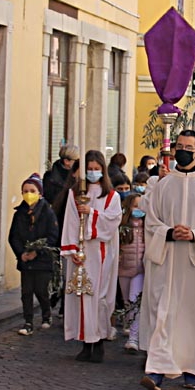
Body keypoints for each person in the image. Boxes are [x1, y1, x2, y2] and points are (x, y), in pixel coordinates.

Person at [139, 130, 195, 390]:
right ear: (174, 149)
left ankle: (192, 370)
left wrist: (194, 235)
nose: (184, 151)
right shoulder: (163, 185)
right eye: (180, 146)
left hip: (193, 264)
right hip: (166, 262)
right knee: (163, 315)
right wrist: (168, 232)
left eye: (189, 147)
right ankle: (156, 372)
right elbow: (150, 221)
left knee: (193, 316)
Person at [60, 151, 122, 362]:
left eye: (97, 169)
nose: (93, 173)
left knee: (98, 296)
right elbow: (70, 220)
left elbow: (112, 221)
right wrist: (72, 249)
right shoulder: (75, 193)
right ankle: (85, 343)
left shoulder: (112, 196)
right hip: (81, 252)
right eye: (89, 169)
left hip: (100, 251)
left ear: (103, 170)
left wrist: (92, 213)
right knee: (81, 295)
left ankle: (99, 341)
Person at [8, 174, 60, 336]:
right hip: (25, 260)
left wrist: (37, 251)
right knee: (26, 292)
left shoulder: (48, 212)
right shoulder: (19, 214)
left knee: (41, 290)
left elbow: (53, 236)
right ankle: (28, 321)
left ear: (40, 193)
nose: (28, 194)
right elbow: (13, 236)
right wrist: (21, 253)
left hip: (43, 259)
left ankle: (46, 314)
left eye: (32, 191)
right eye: (25, 191)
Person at [117, 192, 146, 353]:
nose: (138, 210)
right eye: (135, 206)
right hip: (124, 269)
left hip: (140, 270)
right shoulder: (122, 226)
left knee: (135, 301)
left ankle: (134, 338)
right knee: (128, 302)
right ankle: (129, 325)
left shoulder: (147, 227)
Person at [43, 144, 80, 219]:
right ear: (67, 161)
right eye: (77, 161)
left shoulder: (78, 175)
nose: (80, 164)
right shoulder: (51, 178)